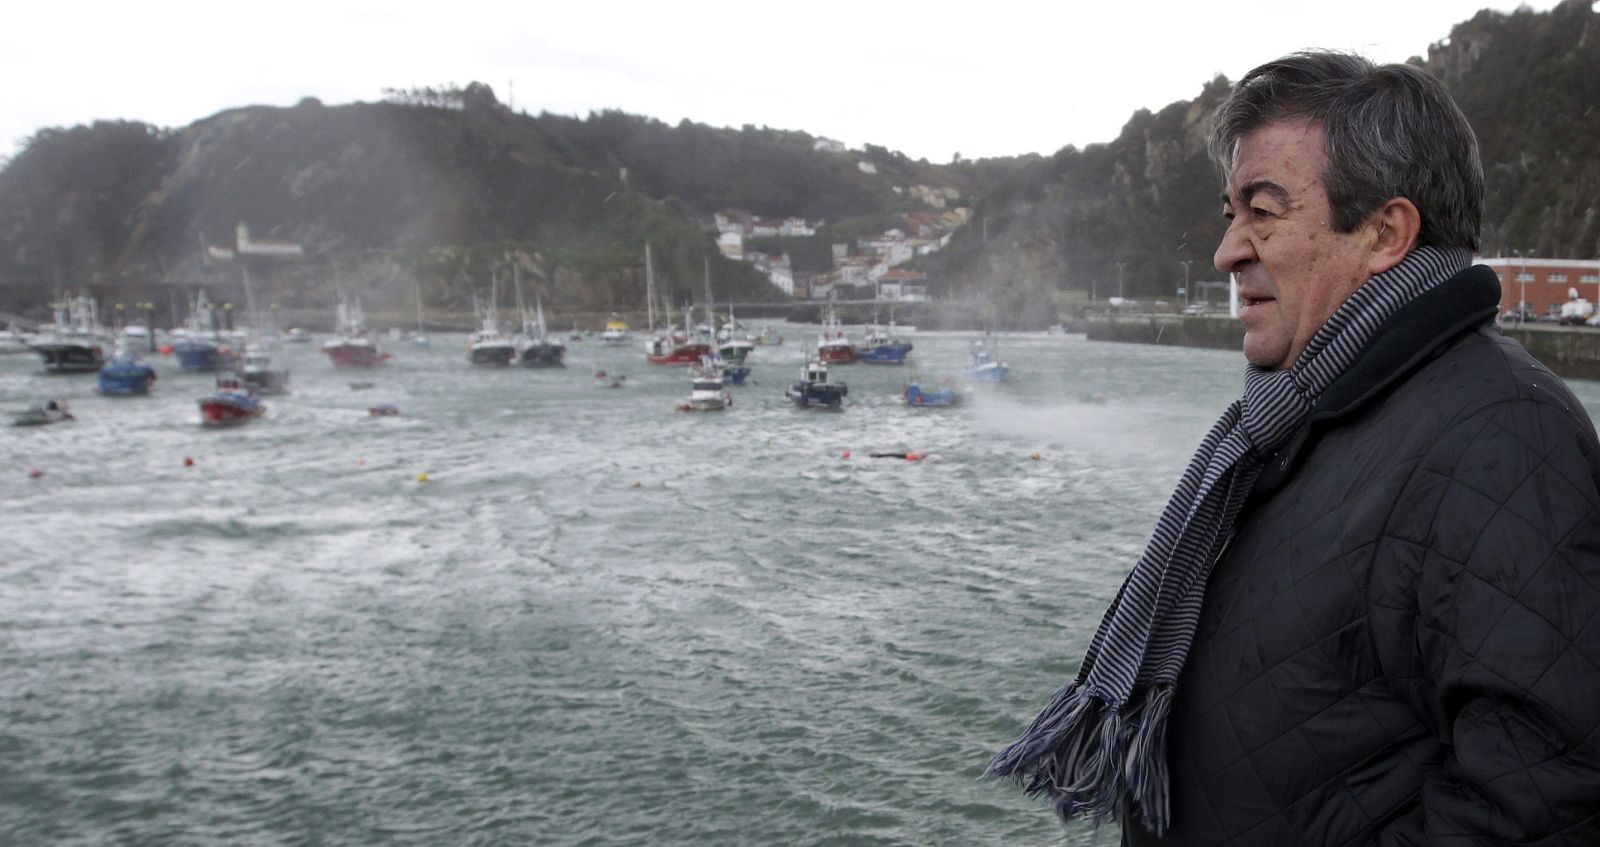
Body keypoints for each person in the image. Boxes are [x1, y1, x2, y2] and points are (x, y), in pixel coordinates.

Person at [989, 51, 1600, 844]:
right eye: (1229, 212)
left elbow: (1550, 800)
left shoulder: (1505, 437)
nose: (1228, 250)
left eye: (1263, 212)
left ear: (1385, 233)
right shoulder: (1308, 413)